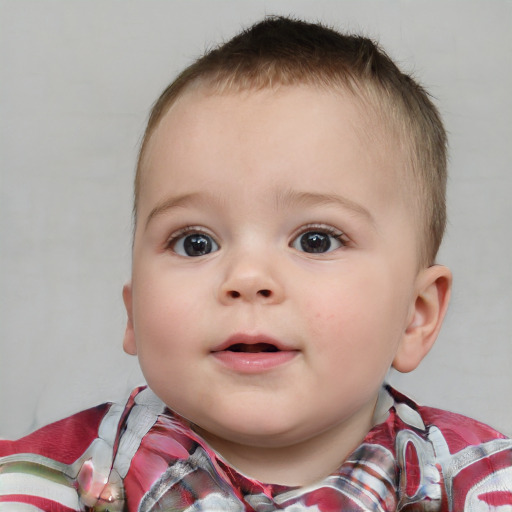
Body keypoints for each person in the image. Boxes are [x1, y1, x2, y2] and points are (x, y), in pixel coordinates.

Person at [0, 16, 510, 512]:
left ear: (416, 314)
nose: (247, 278)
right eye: (195, 243)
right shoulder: (38, 482)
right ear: (133, 312)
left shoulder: (483, 484)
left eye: (315, 241)